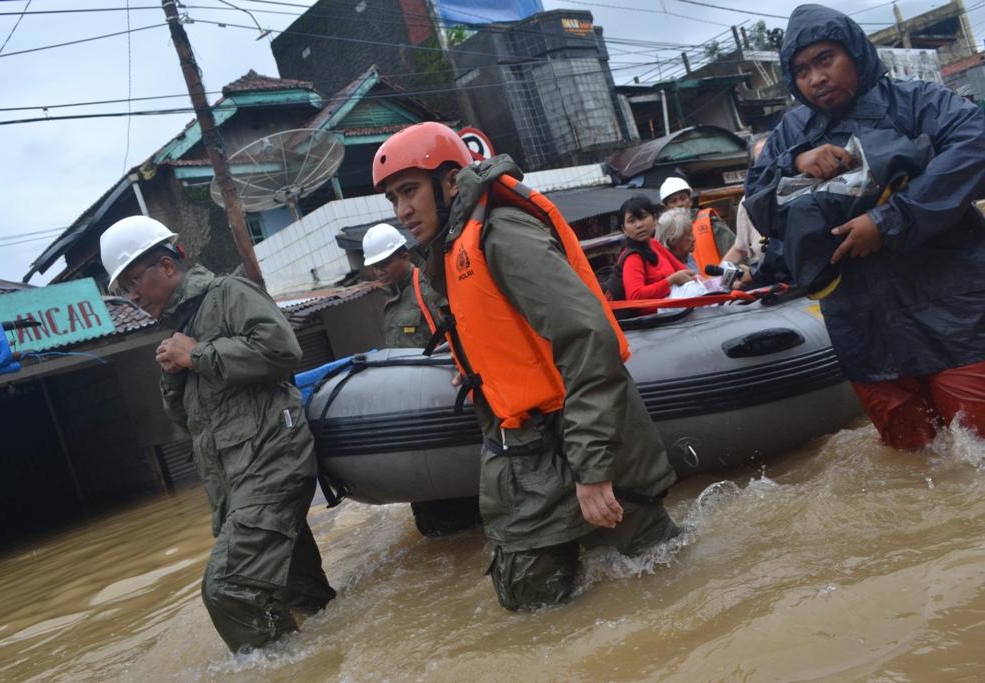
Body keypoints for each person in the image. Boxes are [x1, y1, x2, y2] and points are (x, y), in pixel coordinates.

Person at [371, 122, 679, 611]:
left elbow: (589, 339)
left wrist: (593, 468)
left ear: (450, 182)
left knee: (661, 586)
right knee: (528, 604)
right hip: (525, 450)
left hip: (583, 437)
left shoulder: (502, 233)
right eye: (392, 198)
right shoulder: (451, 249)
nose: (402, 210)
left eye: (409, 191)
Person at [743, 4, 985, 449]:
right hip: (865, 329)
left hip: (956, 315)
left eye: (825, 59)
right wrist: (795, 161)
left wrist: (890, 219)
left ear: (855, 53)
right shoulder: (790, 132)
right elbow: (758, 198)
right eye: (800, 70)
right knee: (915, 468)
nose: (815, 77)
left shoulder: (918, 102)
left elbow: (976, 145)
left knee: (976, 456)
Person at [99, 216, 335, 652]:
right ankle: (332, 656)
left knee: (228, 589)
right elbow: (189, 422)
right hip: (236, 485)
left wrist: (198, 355)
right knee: (300, 596)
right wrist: (174, 372)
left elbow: (283, 350)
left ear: (167, 267)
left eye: (134, 281)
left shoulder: (229, 294)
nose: (131, 296)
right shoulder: (180, 329)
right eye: (123, 289)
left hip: (272, 467)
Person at [361, 222, 481, 536]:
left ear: (404, 254)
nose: (379, 271)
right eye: (374, 266)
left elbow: (462, 328)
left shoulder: (426, 287)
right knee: (431, 523)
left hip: (443, 402)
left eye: (385, 263)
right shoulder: (392, 301)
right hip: (416, 412)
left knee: (461, 511)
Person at [658, 176, 735, 272]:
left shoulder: (710, 222)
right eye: (673, 201)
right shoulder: (663, 233)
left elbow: (734, 252)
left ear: (690, 201)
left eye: (683, 198)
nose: (679, 204)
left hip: (718, 283)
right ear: (666, 207)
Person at [723, 135, 769, 268]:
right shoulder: (748, 200)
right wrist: (715, 280)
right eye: (761, 157)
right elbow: (739, 249)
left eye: (771, 152)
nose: (768, 160)